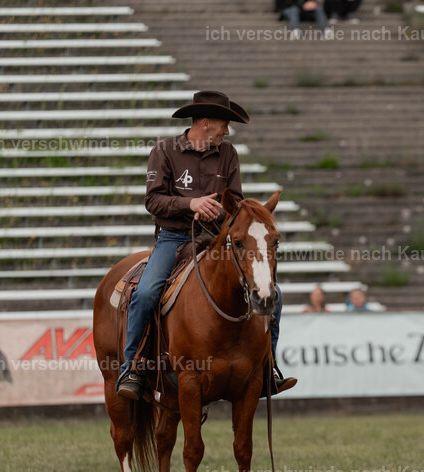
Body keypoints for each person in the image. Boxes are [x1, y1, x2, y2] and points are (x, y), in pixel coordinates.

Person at [116, 90, 297, 401]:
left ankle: (266, 368)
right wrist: (192, 204)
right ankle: (132, 367)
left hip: (218, 239)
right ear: (205, 122)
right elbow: (153, 200)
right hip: (173, 240)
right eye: (224, 125)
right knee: (146, 293)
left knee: (274, 294)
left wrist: (242, 214)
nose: (227, 132)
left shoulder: (228, 154)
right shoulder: (164, 150)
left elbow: (236, 203)